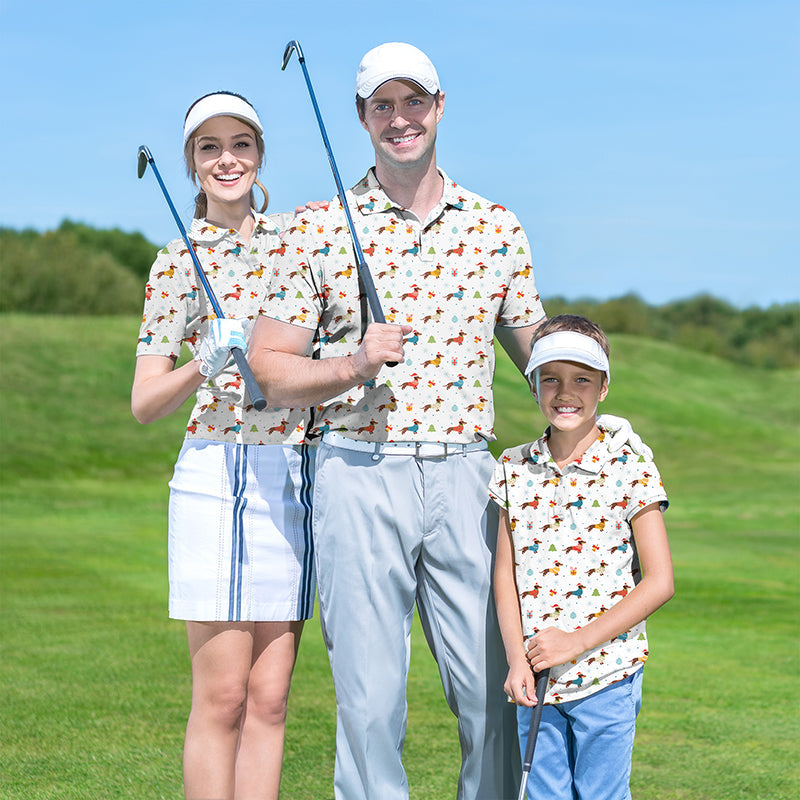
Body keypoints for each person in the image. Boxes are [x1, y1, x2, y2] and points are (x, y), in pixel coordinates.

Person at [248, 42, 544, 800]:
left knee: (490, 692)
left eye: (414, 101)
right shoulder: (317, 227)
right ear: (361, 116)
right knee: (371, 702)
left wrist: (587, 376)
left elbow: (537, 358)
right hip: (357, 469)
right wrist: (352, 364)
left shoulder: (496, 227)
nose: (399, 118)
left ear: (439, 107)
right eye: (383, 105)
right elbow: (270, 370)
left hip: (468, 474)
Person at [131, 91, 315, 800]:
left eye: (240, 143)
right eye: (209, 147)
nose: (227, 159)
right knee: (223, 696)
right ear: (191, 163)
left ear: (260, 154)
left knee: (270, 698)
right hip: (214, 474)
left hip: (289, 474)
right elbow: (145, 403)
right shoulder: (175, 262)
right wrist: (199, 365)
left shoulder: (298, 244)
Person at [490, 314, 675, 800]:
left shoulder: (630, 465)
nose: (565, 392)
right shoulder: (512, 467)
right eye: (550, 378)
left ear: (603, 387)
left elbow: (660, 581)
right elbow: (505, 577)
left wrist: (574, 643)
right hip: (536, 678)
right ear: (532, 384)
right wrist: (516, 660)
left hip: (608, 672)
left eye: (582, 379)